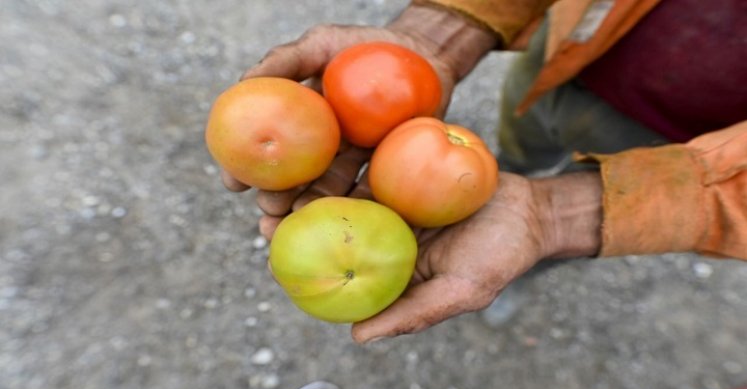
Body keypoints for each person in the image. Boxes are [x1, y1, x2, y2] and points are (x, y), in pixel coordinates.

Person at [218, 0, 747, 345]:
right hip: (571, 49)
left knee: (554, 195)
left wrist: (560, 217)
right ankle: (520, 171)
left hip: (688, 139)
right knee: (522, 139)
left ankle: (533, 255)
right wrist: (450, 26)